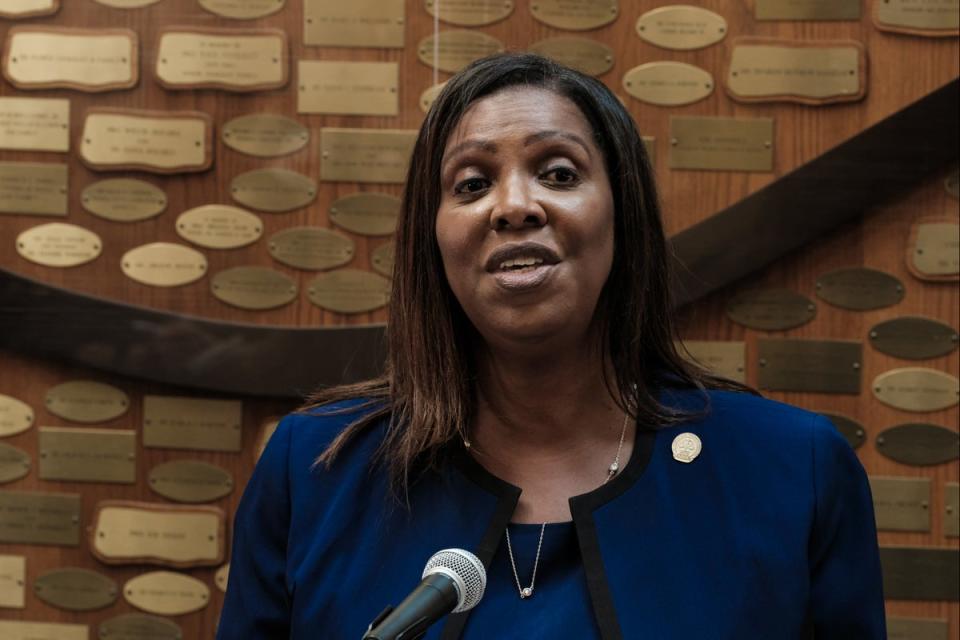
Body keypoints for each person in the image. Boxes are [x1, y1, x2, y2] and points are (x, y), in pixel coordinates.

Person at [217, 53, 885, 639]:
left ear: (623, 217)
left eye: (559, 173)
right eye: (471, 184)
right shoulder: (313, 472)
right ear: (434, 240)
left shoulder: (795, 472)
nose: (514, 206)